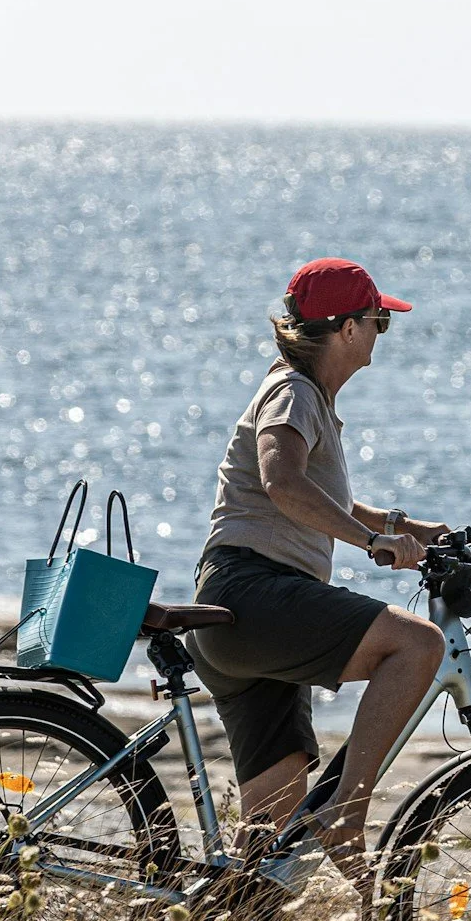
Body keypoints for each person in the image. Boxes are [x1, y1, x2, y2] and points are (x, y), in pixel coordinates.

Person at [189, 257, 450, 875]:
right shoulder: (294, 392)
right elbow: (281, 481)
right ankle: (347, 815)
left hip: (243, 617)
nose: (382, 332)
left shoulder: (305, 395)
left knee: (268, 848)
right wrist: (370, 542)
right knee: (418, 645)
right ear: (348, 329)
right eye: (380, 320)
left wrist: (403, 527)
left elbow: (314, 491)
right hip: (255, 596)